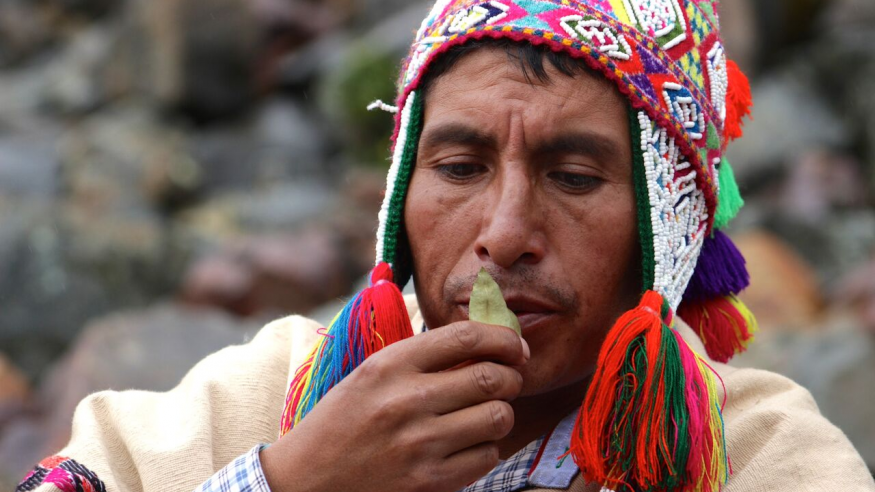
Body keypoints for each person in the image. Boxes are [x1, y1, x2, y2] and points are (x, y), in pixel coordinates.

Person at [17, 1, 875, 491]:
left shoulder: (759, 454)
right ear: (399, 202)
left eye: (574, 177)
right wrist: (288, 481)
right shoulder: (268, 396)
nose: (502, 234)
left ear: (667, 231)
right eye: (459, 168)